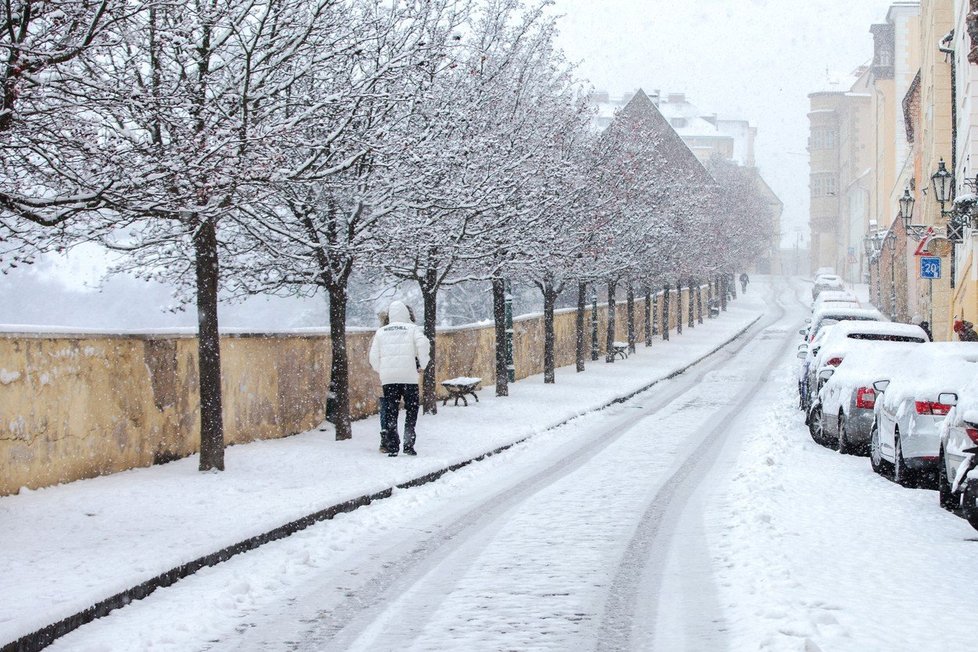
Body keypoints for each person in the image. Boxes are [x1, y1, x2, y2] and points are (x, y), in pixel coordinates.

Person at [369, 300, 430, 457]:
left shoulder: (381, 332)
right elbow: (424, 345)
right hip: (409, 376)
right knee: (412, 409)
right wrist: (422, 364)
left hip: (389, 379)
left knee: (391, 411)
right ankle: (409, 444)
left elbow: (373, 356)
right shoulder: (413, 329)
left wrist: (381, 370)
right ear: (405, 314)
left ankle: (393, 445)